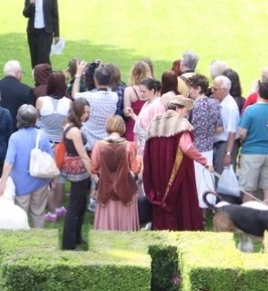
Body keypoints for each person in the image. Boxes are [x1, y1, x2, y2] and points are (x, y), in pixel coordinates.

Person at [142, 96, 214, 231]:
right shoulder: (181, 124)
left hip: (157, 172)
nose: (186, 115)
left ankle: (161, 228)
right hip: (176, 174)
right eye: (185, 111)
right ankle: (180, 229)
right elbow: (187, 148)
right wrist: (205, 162)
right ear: (178, 108)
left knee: (160, 197)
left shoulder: (154, 123)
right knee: (179, 201)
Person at [0, 104, 53, 228]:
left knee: (21, 214)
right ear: (35, 119)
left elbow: (9, 161)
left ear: (19, 119)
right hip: (40, 180)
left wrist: (3, 182)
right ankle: (39, 239)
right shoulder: (42, 135)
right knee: (38, 213)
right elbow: (50, 157)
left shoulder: (15, 138)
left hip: (20, 183)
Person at [91, 115, 141, 231]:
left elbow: (93, 168)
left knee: (107, 216)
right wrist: (139, 160)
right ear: (122, 127)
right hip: (126, 186)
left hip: (105, 186)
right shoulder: (129, 145)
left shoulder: (98, 145)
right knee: (125, 217)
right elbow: (136, 169)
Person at [36, 71, 71, 222]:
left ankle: (52, 211)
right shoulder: (69, 103)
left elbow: (36, 120)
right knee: (60, 176)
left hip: (46, 144)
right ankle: (59, 206)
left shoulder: (41, 101)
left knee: (48, 179)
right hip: (61, 144)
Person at [61, 99, 95, 249]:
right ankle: (69, 244)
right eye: (85, 112)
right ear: (78, 111)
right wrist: (93, 174)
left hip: (74, 168)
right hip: (78, 171)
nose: (87, 115)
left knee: (81, 205)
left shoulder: (69, 124)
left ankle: (77, 237)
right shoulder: (74, 131)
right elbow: (83, 156)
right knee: (75, 207)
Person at [185, 74, 222, 209]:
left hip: (194, 147)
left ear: (198, 88)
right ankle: (206, 207)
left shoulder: (192, 106)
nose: (189, 92)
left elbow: (188, 127)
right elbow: (219, 128)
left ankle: (195, 208)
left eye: (190, 88)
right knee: (206, 178)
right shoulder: (214, 104)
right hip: (209, 146)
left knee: (196, 179)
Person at [238, 79, 268, 202]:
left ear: (258, 91)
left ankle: (247, 219)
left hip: (251, 152)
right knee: (267, 189)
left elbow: (242, 133)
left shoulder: (250, 110)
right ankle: (267, 219)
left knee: (248, 189)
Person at [22, 0, 60, 70]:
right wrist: (31, 4)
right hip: (32, 32)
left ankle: (47, 80)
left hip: (45, 32)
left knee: (44, 58)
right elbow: (26, 14)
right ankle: (36, 80)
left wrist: (57, 34)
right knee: (34, 58)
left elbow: (55, 16)